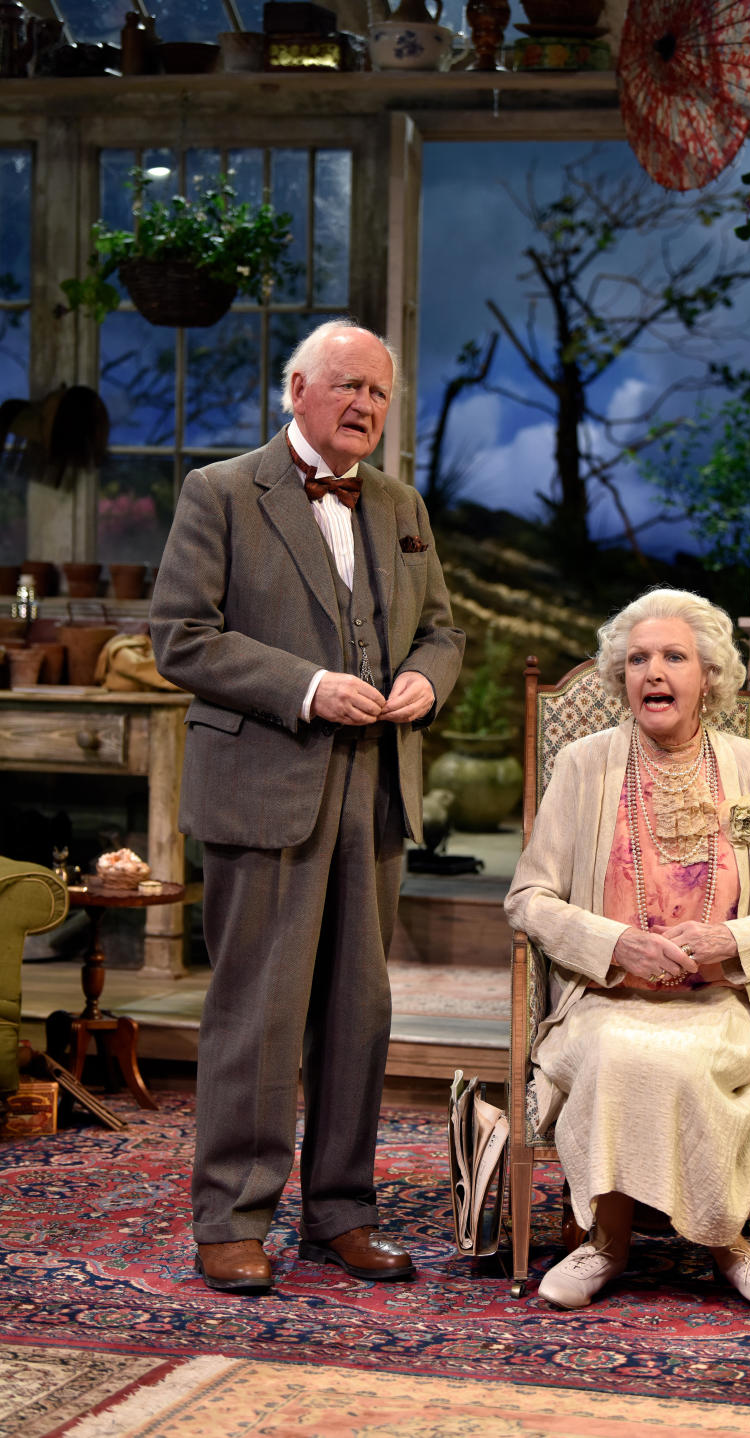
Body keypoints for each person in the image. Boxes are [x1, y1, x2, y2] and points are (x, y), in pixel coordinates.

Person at [150, 319, 464, 1294]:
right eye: (347, 387)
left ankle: (340, 1210)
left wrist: (423, 680)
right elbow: (181, 638)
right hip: (263, 788)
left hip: (372, 789)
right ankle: (232, 1217)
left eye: (380, 392)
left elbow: (444, 631)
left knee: (357, 1012)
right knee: (259, 1011)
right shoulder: (223, 493)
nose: (366, 405)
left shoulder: (404, 506)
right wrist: (306, 686)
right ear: (297, 390)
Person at [504, 588, 750, 1316]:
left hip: (718, 1001)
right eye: (637, 659)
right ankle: (604, 1244)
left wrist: (731, 939)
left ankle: (730, 1245)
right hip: (605, 1000)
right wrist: (616, 943)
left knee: (686, 1057)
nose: (653, 672)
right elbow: (528, 899)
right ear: (622, 677)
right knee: (620, 1049)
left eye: (673, 657)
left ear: (708, 677)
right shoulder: (586, 764)